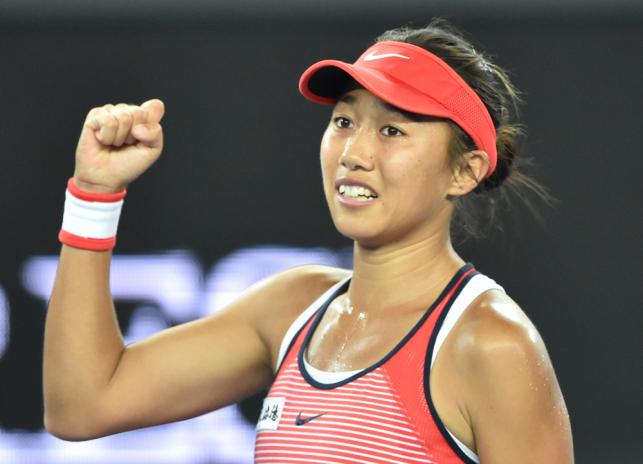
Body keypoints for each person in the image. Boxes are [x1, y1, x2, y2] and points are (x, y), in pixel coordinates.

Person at [44, 19, 574, 463]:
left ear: (464, 172)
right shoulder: (292, 307)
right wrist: (94, 193)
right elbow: (82, 405)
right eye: (344, 120)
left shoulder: (491, 343)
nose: (354, 152)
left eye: (392, 131)